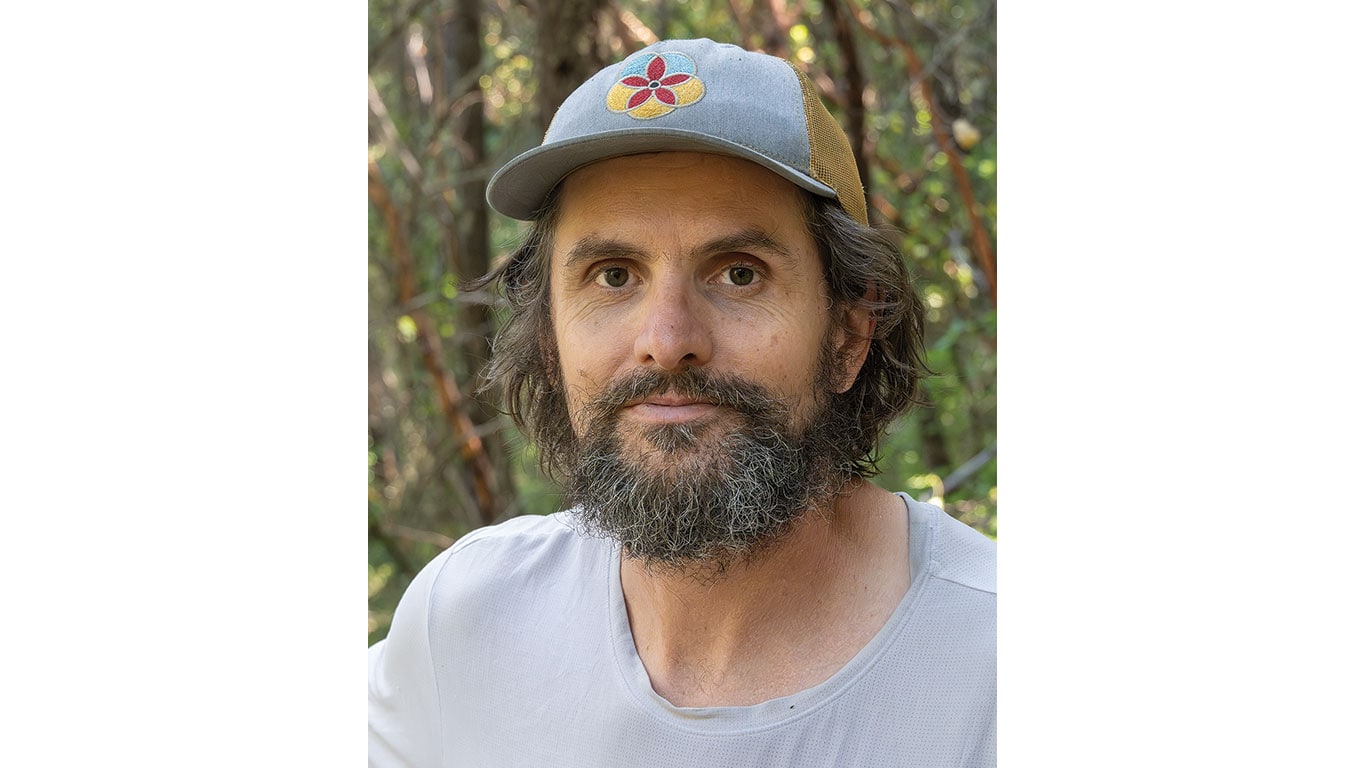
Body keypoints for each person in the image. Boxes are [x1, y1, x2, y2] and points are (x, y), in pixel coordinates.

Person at [368, 37, 995, 767]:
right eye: (612, 276)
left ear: (850, 334)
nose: (666, 341)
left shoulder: (993, 668)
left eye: (738, 273)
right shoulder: (465, 625)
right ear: (549, 338)